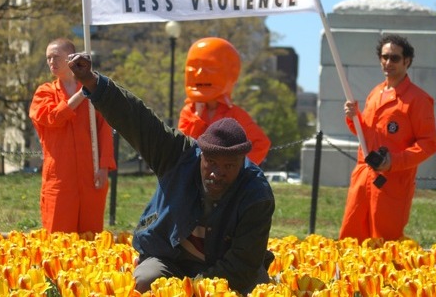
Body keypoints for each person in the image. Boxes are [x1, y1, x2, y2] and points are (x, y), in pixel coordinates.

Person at [67, 52, 275, 294]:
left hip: (226, 268)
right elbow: (137, 119)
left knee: (254, 290)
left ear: (243, 162)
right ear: (201, 155)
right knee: (143, 282)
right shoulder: (179, 155)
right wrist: (93, 81)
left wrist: (191, 289)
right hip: (170, 257)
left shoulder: (256, 194)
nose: (217, 173)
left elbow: (241, 266)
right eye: (211, 162)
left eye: (229, 166)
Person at [339, 34, 436, 242]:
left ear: (407, 61)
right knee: (352, 239)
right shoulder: (375, 93)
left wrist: (393, 161)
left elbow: (429, 144)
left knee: (386, 247)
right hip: (363, 179)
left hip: (392, 185)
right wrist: (353, 117)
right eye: (384, 57)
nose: (387, 62)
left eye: (394, 58)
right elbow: (368, 134)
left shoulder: (418, 100)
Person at [29, 38, 116, 234]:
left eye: (56, 57)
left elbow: (104, 130)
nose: (51, 62)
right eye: (48, 58)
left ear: (71, 59)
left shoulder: (95, 91)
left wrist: (103, 167)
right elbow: (52, 117)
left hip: (90, 175)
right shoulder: (44, 92)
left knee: (91, 238)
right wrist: (81, 95)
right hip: (60, 178)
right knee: (59, 239)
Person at [178, 37, 271, 165]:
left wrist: (237, 170)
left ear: (232, 73)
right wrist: (197, 117)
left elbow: (261, 144)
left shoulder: (235, 115)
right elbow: (183, 146)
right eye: (193, 66)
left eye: (210, 66)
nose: (199, 73)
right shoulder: (188, 112)